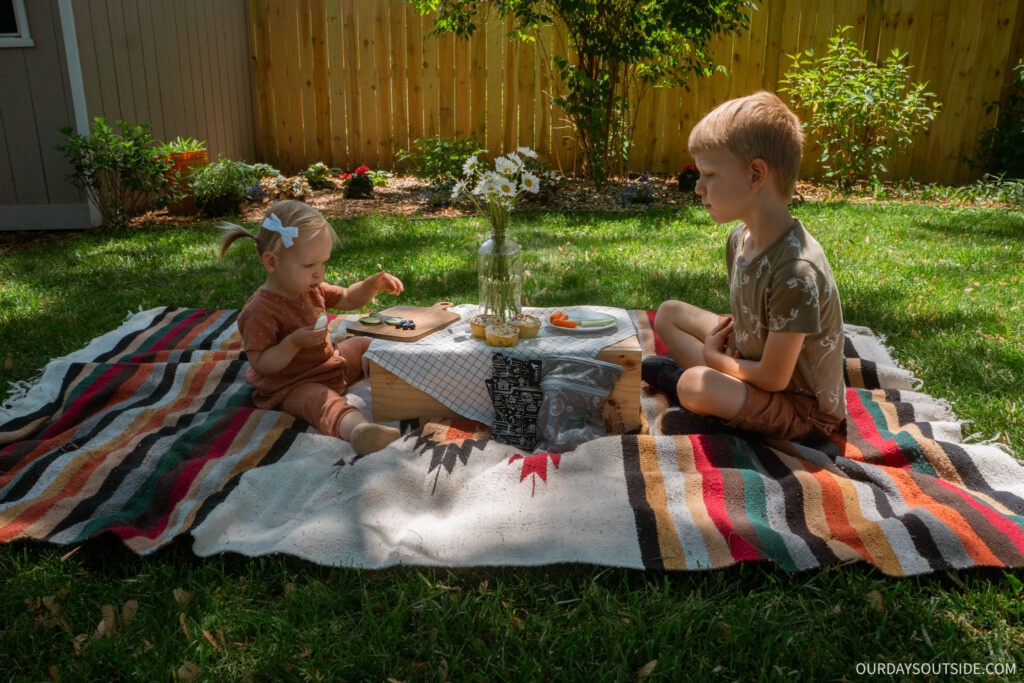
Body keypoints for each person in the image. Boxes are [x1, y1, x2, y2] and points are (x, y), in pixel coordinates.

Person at [644, 91, 846, 443]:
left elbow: (774, 378)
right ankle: (711, 398)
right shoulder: (740, 238)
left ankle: (700, 401)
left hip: (803, 410)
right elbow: (748, 321)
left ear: (755, 175)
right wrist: (724, 349)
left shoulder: (796, 271)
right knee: (669, 314)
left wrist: (713, 358)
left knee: (694, 384)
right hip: (754, 360)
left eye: (709, 174)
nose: (698, 188)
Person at [220, 199, 406, 455]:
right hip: (292, 384)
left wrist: (371, 285)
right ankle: (360, 430)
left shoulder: (311, 288)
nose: (319, 273)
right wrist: (293, 343)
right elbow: (261, 363)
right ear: (272, 262)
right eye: (309, 265)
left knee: (365, 344)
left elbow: (347, 298)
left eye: (322, 263)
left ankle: (408, 378)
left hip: (330, 364)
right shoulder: (260, 310)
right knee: (323, 403)